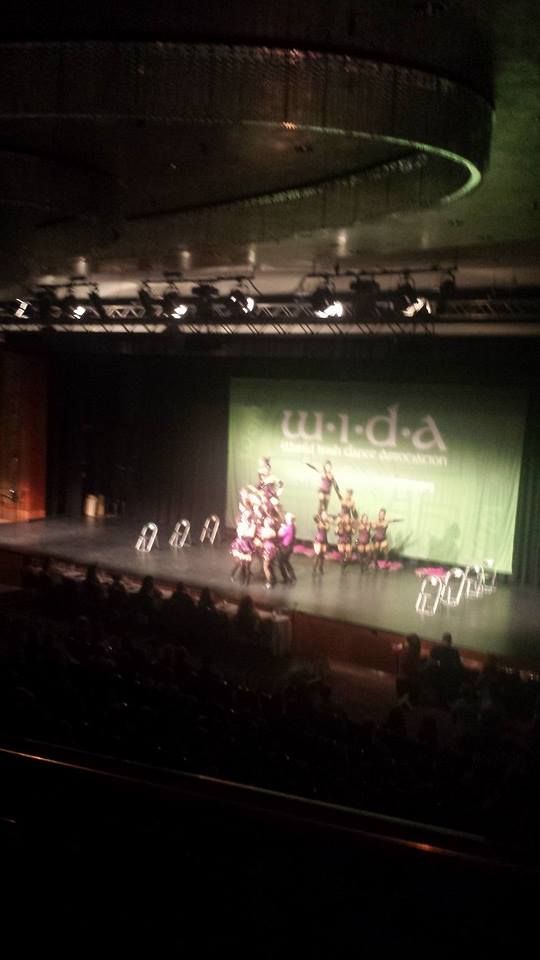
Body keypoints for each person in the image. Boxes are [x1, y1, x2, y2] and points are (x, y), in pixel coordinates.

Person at [278, 512, 297, 584]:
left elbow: (280, 534)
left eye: (286, 518)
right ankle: (292, 576)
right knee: (286, 561)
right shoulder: (293, 526)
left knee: (281, 562)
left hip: (285, 547)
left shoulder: (288, 527)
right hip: (290, 547)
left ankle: (286, 578)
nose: (285, 519)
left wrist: (282, 527)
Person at [312, 510, 330, 575]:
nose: (325, 516)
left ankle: (320, 568)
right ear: (321, 515)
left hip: (324, 540)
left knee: (322, 555)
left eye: (326, 515)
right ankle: (314, 569)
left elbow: (327, 528)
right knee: (317, 555)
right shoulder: (318, 521)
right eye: (324, 514)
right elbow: (314, 517)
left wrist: (324, 523)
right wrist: (320, 521)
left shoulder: (327, 522)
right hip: (318, 539)